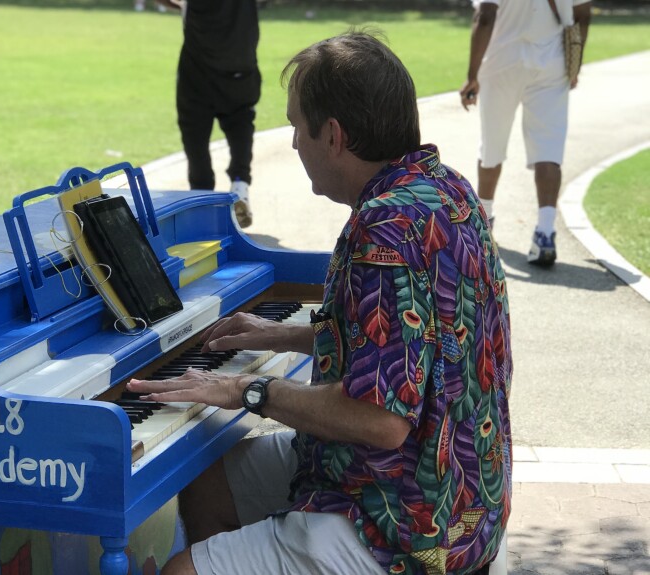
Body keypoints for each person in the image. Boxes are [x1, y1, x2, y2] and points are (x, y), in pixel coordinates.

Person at [128, 30, 513, 575]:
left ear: (333, 135)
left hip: (407, 522)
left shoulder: (385, 232)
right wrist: (284, 334)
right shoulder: (444, 192)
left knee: (178, 572)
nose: (291, 143)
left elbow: (381, 421)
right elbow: (417, 342)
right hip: (462, 490)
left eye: (294, 126)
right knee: (207, 477)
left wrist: (250, 389)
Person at [460, 0, 592, 266]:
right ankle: (545, 232)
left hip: (501, 62)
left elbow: (485, 16)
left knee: (492, 145)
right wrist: (575, 65)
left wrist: (471, 75)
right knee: (549, 149)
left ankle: (484, 224)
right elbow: (583, 14)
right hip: (552, 63)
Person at [157, 0, 261, 228]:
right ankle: (239, 186)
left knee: (195, 135)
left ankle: (202, 200)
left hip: (198, 72)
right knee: (241, 126)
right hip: (240, 68)